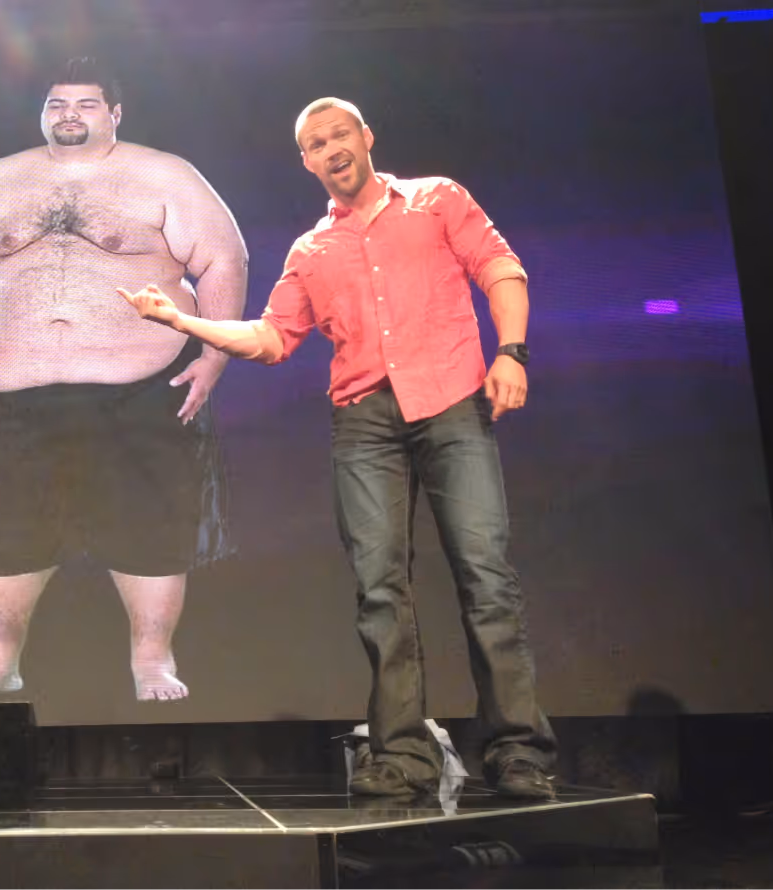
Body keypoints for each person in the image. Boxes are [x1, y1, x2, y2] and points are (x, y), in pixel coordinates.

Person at [119, 97, 558, 799]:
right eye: (316, 143)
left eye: (339, 135)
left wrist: (511, 350)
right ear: (307, 161)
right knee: (381, 591)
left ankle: (518, 754)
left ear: (366, 137)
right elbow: (270, 338)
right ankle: (404, 757)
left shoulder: (437, 199)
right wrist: (182, 319)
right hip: (365, 423)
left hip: (451, 402)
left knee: (486, 577)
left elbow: (500, 269)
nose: (331, 149)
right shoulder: (311, 250)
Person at [0, 58, 247, 703]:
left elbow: (223, 257)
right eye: (56, 104)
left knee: (149, 528)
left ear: (115, 113)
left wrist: (214, 354)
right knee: (4, 535)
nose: (68, 114)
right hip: (8, 390)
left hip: (137, 383)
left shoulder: (163, 174)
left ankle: (152, 656)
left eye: (85, 103)